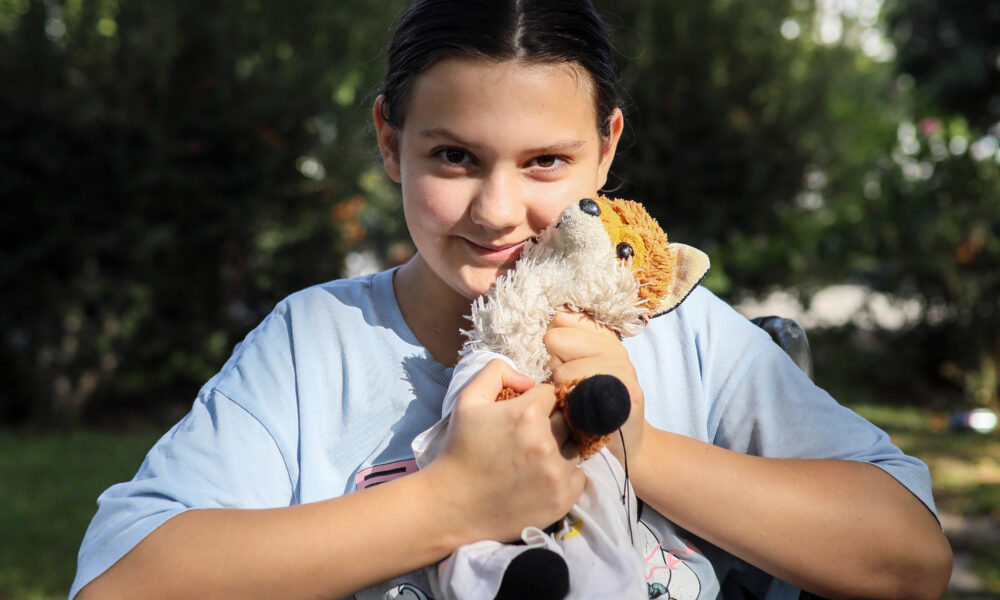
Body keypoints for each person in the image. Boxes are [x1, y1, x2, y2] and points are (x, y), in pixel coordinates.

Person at [72, 1, 953, 599]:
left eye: (545, 162)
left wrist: (640, 448)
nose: (497, 211)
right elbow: (120, 583)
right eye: (454, 157)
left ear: (606, 149)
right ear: (390, 140)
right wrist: (449, 503)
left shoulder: (683, 334)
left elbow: (910, 558)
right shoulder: (315, 344)